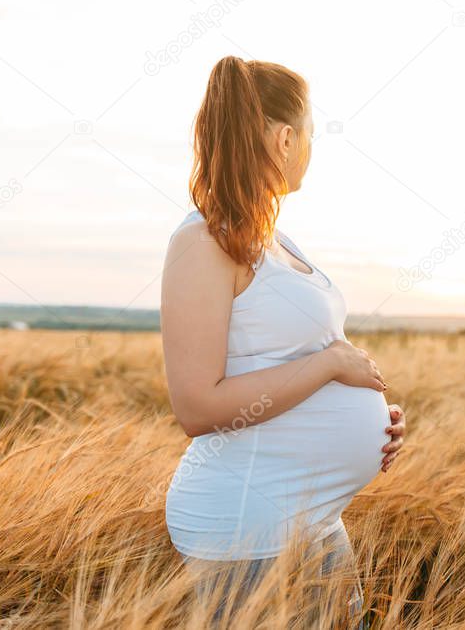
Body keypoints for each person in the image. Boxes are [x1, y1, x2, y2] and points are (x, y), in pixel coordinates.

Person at [159, 55, 406, 626]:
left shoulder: (277, 239)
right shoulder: (202, 243)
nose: (314, 148)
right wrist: (330, 368)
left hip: (312, 515)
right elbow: (196, 406)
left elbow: (297, 359)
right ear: (286, 138)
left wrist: (377, 423)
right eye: (313, 133)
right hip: (248, 527)